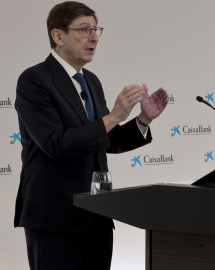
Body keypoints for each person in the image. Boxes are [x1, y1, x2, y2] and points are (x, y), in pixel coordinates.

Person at [13, 1, 169, 269]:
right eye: (84, 30)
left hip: (98, 215)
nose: (94, 37)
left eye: (96, 30)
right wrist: (114, 116)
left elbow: (107, 138)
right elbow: (55, 144)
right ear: (58, 35)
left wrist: (143, 119)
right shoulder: (34, 80)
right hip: (55, 219)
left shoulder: (91, 80)